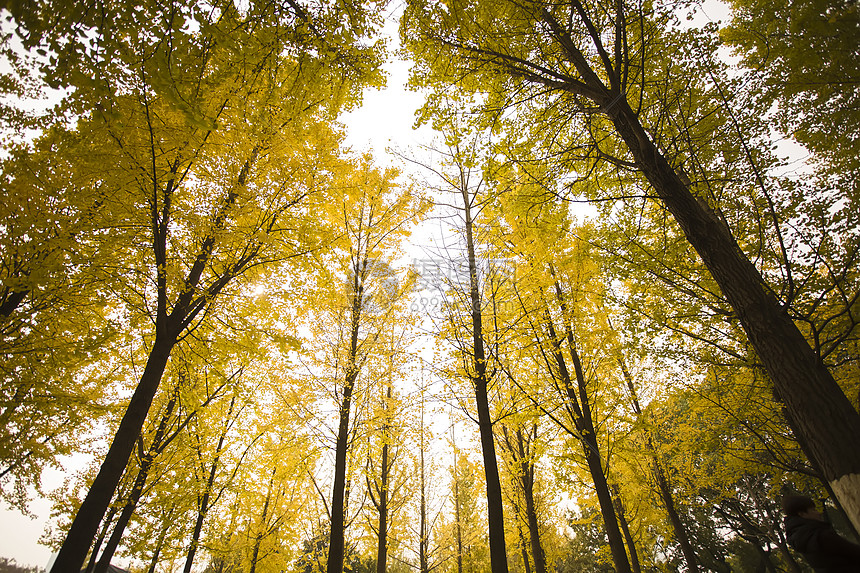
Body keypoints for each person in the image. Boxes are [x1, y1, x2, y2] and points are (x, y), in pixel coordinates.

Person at [782, 495, 860, 572]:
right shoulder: (821, 536)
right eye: (813, 510)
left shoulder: (802, 539)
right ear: (802, 514)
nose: (819, 513)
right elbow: (854, 552)